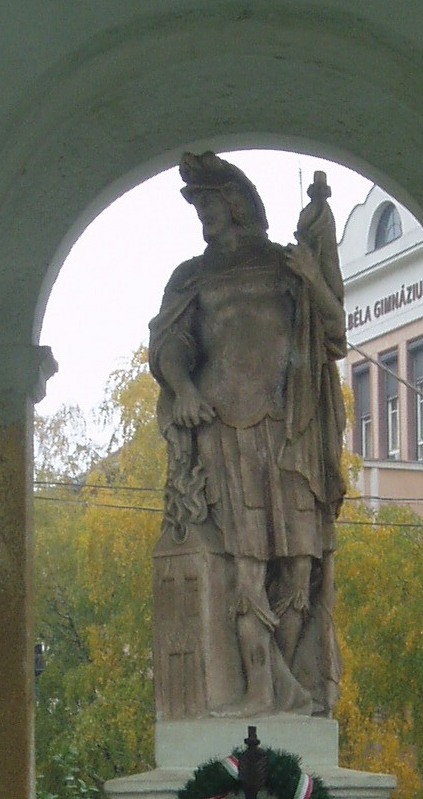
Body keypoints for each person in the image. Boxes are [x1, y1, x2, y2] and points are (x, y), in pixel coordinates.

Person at [148, 152, 347, 718]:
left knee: (301, 565)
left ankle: (289, 689)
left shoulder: (286, 265)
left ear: (236, 203)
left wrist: (313, 276)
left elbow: (334, 332)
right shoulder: (191, 275)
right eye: (198, 206)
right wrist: (184, 388)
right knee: (247, 562)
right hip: (224, 427)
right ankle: (260, 688)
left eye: (209, 203)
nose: (203, 215)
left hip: (291, 428)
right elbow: (170, 344)